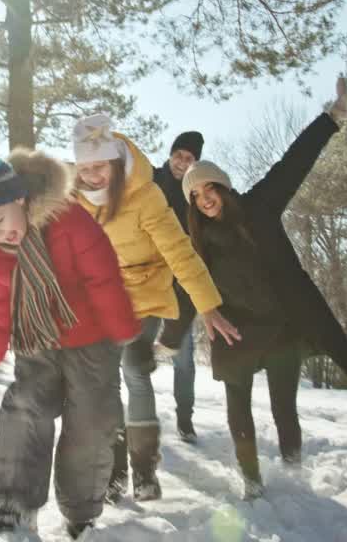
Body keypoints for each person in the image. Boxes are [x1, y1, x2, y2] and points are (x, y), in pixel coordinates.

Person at [180, 78, 347, 500]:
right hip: (235, 328)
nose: (205, 198)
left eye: (210, 188)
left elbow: (294, 162)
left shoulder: (259, 207)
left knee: (283, 404)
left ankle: (293, 472)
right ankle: (251, 480)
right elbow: (186, 281)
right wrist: (198, 316)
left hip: (281, 326)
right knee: (237, 404)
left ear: (222, 186)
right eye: (196, 194)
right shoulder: (196, 241)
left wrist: (331, 120)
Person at [0, 139, 140, 539]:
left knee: (90, 421)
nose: (0, 233)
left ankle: (80, 514)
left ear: (19, 197)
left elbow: (103, 277)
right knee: (24, 407)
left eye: (1, 219)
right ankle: (15, 506)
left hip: (92, 339)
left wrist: (125, 333)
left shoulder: (69, 219)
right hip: (37, 341)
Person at [71, 114, 240, 503]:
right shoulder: (74, 197)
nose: (92, 176)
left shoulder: (144, 196)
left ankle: (144, 468)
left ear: (114, 162)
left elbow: (180, 252)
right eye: (84, 169)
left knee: (133, 368)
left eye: (99, 167)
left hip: (145, 292)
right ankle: (114, 471)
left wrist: (208, 306)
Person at [152, 130, 205, 443]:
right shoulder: (152, 179)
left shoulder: (196, 194)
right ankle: (139, 416)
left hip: (179, 287)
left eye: (189, 159)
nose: (181, 162)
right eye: (178, 155)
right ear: (170, 154)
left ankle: (185, 419)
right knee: (136, 355)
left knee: (183, 356)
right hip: (146, 279)